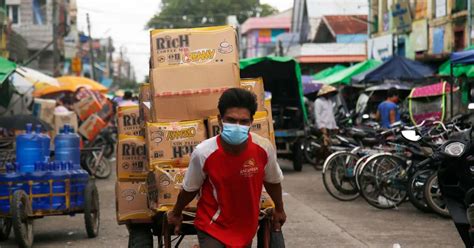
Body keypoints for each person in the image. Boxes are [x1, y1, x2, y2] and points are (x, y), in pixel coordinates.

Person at [167, 88, 286, 248]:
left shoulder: (263, 148)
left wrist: (279, 208)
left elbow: (273, 181)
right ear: (219, 119)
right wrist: (176, 212)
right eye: (231, 120)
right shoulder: (204, 152)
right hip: (212, 225)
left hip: (246, 226)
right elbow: (190, 189)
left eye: (243, 122)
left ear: (251, 122)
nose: (237, 126)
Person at [314, 85, 338, 157]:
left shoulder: (330, 102)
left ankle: (326, 159)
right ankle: (319, 159)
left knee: (329, 146)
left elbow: (331, 115)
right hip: (323, 127)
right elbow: (317, 115)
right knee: (324, 145)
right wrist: (321, 127)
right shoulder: (318, 101)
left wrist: (335, 126)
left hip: (329, 127)